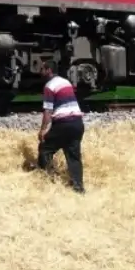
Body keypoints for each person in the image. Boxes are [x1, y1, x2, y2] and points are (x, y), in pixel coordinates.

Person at [36, 61, 86, 193]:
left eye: (41, 69)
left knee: (45, 148)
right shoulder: (66, 81)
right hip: (77, 123)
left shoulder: (49, 86)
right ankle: (78, 187)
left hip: (64, 124)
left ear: (48, 70)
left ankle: (48, 179)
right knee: (74, 155)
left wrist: (43, 131)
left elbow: (48, 111)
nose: (39, 71)